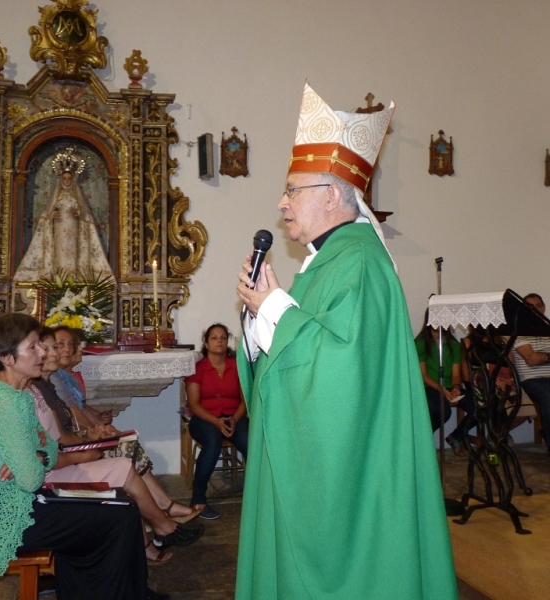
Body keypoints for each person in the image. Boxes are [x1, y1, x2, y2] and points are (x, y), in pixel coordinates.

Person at [235, 83, 457, 599]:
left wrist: (270, 308)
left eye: (293, 190)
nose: (281, 202)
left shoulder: (358, 263)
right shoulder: (331, 261)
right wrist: (257, 317)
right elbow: (303, 345)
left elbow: (338, 371)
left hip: (348, 481)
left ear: (333, 195)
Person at [0, 312, 168, 600]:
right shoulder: (4, 402)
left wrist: (35, 456)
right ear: (6, 357)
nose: (42, 352)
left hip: (20, 501)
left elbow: (48, 450)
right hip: (4, 516)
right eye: (33, 347)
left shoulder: (16, 397)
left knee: (122, 508)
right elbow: (30, 477)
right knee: (119, 516)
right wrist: (35, 458)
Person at [36, 327, 199, 523]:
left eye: (63, 345)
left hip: (74, 447)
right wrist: (92, 437)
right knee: (126, 448)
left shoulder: (51, 382)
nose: (59, 351)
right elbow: (69, 423)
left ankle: (161, 508)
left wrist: (97, 429)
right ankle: (161, 511)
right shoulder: (42, 386)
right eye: (54, 346)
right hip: (66, 457)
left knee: (127, 445)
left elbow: (77, 410)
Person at [14, 147, 113, 282]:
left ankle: (74, 277)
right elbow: (46, 216)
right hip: (59, 231)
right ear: (61, 179)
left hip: (74, 232)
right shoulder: (56, 196)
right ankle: (57, 277)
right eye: (64, 178)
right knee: (59, 254)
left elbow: (86, 217)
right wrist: (51, 218)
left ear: (73, 180)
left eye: (69, 179)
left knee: (73, 255)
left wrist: (79, 213)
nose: (66, 181)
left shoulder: (77, 196)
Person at [185, 323, 249, 520]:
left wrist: (235, 419)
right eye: (214, 337)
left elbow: (246, 398)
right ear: (206, 343)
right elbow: (194, 404)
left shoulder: (237, 366)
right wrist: (216, 421)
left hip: (234, 416)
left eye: (223, 337)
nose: (219, 341)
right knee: (212, 443)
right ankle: (198, 500)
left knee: (251, 442)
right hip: (205, 419)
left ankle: (257, 495)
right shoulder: (198, 368)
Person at [415, 309, 475, 455]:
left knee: (479, 407)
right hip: (430, 386)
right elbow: (423, 375)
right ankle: (423, 440)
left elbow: (456, 373)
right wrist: (440, 389)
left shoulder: (453, 345)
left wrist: (456, 388)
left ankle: (456, 436)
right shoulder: (420, 343)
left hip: (449, 386)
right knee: (443, 411)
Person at [512, 293, 550, 453]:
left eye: (538, 306)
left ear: (544, 307)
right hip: (531, 379)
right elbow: (531, 359)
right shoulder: (519, 331)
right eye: (530, 308)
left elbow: (539, 357)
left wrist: (544, 357)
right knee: (548, 397)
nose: (535, 310)